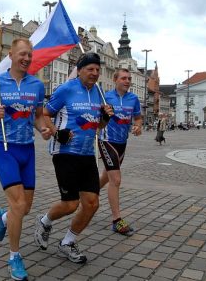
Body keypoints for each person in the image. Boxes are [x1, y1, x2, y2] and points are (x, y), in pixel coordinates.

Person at [0, 38, 55, 281]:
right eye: (22, 54)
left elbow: (38, 117)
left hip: (26, 150)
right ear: (11, 54)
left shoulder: (36, 86)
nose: (27, 58)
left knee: (24, 208)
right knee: (19, 204)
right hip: (4, 147)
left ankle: (4, 217)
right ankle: (14, 257)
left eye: (29, 55)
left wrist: (44, 130)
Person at [34, 52, 112, 264]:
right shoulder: (66, 89)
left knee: (92, 203)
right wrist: (57, 132)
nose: (95, 73)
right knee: (70, 204)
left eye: (97, 69)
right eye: (90, 69)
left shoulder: (98, 92)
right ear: (80, 70)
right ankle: (45, 221)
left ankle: (67, 242)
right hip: (65, 152)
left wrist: (104, 118)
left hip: (87, 154)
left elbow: (99, 126)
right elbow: (45, 114)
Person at [97, 68, 142, 236]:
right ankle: (117, 220)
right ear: (115, 80)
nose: (127, 81)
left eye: (129, 78)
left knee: (106, 176)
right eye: (123, 78)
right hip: (106, 140)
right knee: (115, 179)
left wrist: (138, 126)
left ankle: (87, 193)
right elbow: (97, 118)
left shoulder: (133, 99)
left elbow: (137, 118)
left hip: (122, 143)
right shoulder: (106, 97)